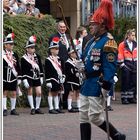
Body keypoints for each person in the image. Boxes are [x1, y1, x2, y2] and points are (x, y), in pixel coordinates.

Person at [79, 0, 126, 140]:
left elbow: (109, 67)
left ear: (102, 25)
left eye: (94, 24)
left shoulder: (109, 42)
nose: (91, 27)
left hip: (97, 83)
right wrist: (80, 65)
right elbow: (86, 57)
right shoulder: (91, 40)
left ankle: (116, 135)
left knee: (94, 116)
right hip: (87, 82)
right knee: (83, 115)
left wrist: (107, 85)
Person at [49, 20, 71, 109]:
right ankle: (58, 104)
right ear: (58, 27)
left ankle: (65, 102)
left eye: (64, 27)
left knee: (67, 83)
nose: (63, 28)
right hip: (58, 63)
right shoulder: (54, 37)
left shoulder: (69, 37)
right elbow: (51, 50)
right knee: (58, 84)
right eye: (61, 27)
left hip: (68, 63)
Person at [21, 35, 44, 115]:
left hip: (37, 76)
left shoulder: (37, 56)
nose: (32, 49)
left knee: (39, 92)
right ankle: (32, 108)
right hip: (28, 77)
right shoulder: (23, 58)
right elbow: (23, 70)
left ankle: (37, 107)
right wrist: (24, 79)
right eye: (31, 47)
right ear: (27, 49)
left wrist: (41, 76)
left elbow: (40, 67)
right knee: (30, 91)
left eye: (33, 47)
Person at [45, 37, 65, 114]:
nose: (57, 50)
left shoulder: (60, 59)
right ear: (51, 50)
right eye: (55, 49)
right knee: (51, 92)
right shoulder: (48, 60)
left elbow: (63, 69)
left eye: (58, 48)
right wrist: (48, 81)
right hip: (52, 78)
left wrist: (63, 76)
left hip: (59, 78)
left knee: (57, 92)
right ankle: (51, 108)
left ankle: (56, 107)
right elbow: (47, 71)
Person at [3, 33, 21, 116]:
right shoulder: (2, 54)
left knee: (14, 93)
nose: (12, 46)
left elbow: (18, 67)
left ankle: (13, 109)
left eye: (12, 44)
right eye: (10, 44)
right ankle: (4, 109)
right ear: (5, 45)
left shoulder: (15, 55)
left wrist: (20, 77)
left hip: (13, 76)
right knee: (4, 92)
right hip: (4, 76)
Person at [117, 29, 137, 104]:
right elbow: (120, 55)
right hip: (126, 66)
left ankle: (131, 98)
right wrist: (122, 65)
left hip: (134, 66)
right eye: (132, 35)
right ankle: (124, 98)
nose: (134, 36)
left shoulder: (136, 44)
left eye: (134, 35)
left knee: (133, 83)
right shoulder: (122, 44)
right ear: (128, 35)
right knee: (126, 83)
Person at [65, 47, 82, 112]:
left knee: (78, 93)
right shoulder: (68, 62)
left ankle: (79, 106)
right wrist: (75, 72)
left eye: (76, 52)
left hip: (78, 79)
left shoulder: (78, 61)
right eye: (74, 52)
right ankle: (69, 107)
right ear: (70, 54)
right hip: (71, 80)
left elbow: (81, 69)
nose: (75, 54)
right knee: (71, 93)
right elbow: (69, 72)